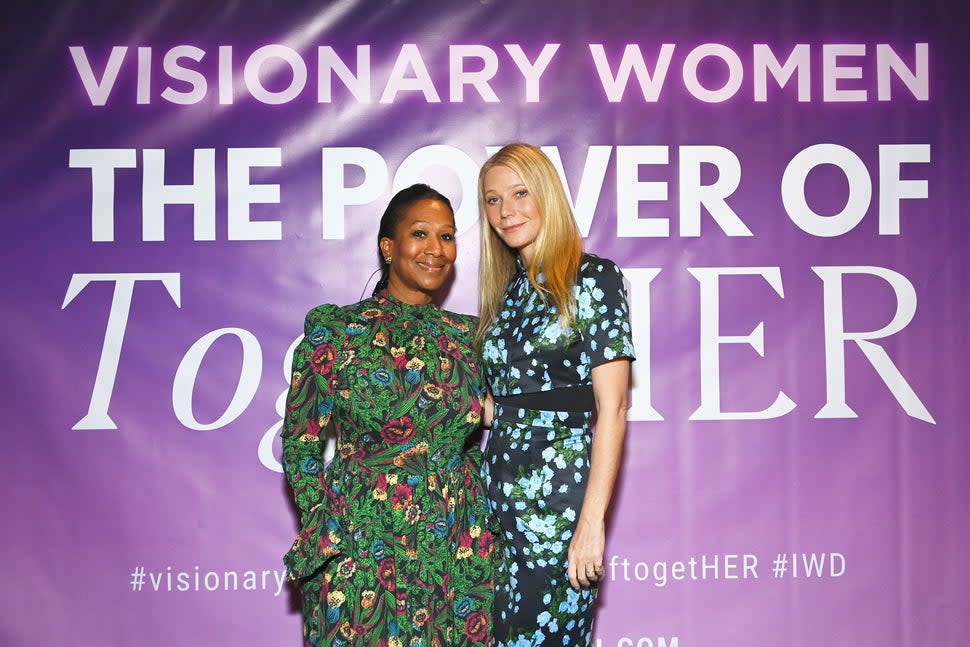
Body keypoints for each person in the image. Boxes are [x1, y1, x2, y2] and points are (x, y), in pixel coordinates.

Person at [281, 184, 497, 646]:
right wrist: (326, 518)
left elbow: (497, 429)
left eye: (447, 236)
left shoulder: (471, 339)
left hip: (453, 542)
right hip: (361, 542)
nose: (435, 250)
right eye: (420, 234)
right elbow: (300, 442)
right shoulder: (336, 333)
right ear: (388, 246)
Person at [476, 144, 635, 646]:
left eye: (520, 193)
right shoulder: (509, 293)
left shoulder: (593, 278)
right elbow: (511, 403)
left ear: (545, 193)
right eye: (493, 200)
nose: (507, 212)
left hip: (556, 508)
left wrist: (591, 523)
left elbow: (614, 408)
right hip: (497, 504)